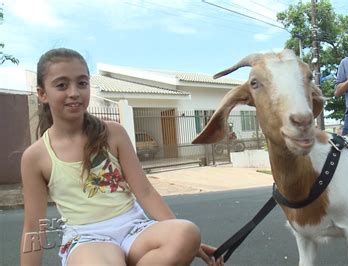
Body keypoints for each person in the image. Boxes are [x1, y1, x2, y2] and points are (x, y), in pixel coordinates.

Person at [20, 48, 223, 266]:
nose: (74, 92)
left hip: (134, 229)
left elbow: (144, 191)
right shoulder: (36, 156)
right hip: (87, 239)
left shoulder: (113, 133)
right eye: (62, 85)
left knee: (186, 233)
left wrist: (191, 246)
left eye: (82, 83)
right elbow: (34, 225)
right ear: (42, 93)